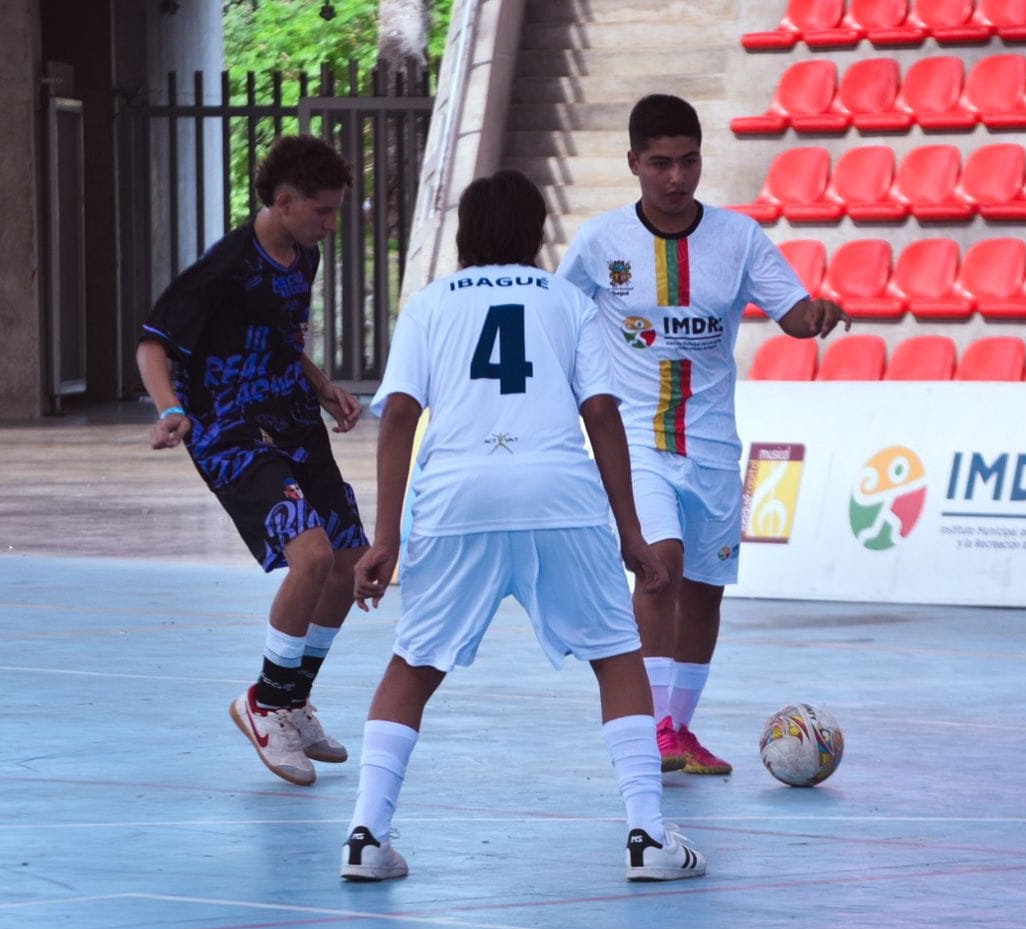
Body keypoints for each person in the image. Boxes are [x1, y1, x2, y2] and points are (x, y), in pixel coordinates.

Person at [340, 169, 706, 884]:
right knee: (615, 656)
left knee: (414, 662)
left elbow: (401, 416)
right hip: (556, 493)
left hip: (456, 496)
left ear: (464, 235)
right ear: (537, 233)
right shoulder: (567, 301)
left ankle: (364, 835)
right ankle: (646, 837)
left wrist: (384, 537)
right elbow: (601, 414)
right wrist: (632, 534)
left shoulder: (430, 305)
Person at [557, 94, 850, 775]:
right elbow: (558, 320)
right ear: (633, 162)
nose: (676, 178)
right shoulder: (601, 243)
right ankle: (654, 726)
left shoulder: (739, 237)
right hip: (635, 441)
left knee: (706, 590)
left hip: (713, 446)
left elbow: (794, 313)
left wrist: (818, 316)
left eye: (688, 162)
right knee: (658, 567)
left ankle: (680, 731)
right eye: (659, 163)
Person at [135, 135, 369, 788]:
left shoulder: (304, 258)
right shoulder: (226, 265)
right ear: (286, 201)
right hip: (231, 431)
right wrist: (168, 409)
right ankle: (262, 704)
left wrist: (323, 388)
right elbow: (153, 345)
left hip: (293, 419)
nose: (331, 224)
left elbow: (282, 338)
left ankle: (291, 700)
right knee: (313, 555)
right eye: (323, 211)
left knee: (348, 562)